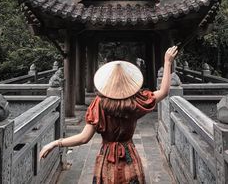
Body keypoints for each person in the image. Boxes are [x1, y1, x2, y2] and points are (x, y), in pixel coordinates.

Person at [40, 46, 178, 183]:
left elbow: (83, 138)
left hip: (107, 157)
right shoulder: (136, 101)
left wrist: (55, 143)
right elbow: (164, 92)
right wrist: (167, 62)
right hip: (129, 154)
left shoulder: (98, 104)